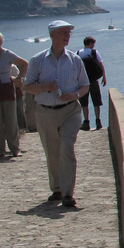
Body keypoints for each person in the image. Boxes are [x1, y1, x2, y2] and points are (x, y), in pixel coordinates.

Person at [24, 19, 90, 208]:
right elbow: (27, 86)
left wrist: (75, 94)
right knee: (52, 152)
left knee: (67, 149)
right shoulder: (37, 60)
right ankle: (57, 189)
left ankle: (68, 193)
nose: (67, 36)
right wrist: (44, 87)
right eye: (63, 32)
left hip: (70, 110)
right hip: (45, 112)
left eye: (69, 32)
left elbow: (85, 86)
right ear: (52, 35)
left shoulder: (75, 60)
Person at [77, 36, 108, 130]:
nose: (94, 45)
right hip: (93, 81)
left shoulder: (78, 53)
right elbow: (101, 65)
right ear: (90, 43)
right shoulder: (94, 52)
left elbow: (76, 68)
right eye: (93, 43)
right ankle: (98, 121)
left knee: (84, 103)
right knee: (96, 102)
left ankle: (86, 122)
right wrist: (104, 77)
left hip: (82, 82)